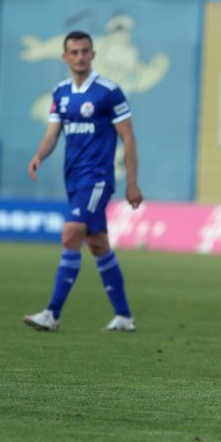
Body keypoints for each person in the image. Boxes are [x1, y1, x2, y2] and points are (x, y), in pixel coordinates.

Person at [23, 30, 143, 332]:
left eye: (85, 51)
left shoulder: (108, 91)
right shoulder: (61, 93)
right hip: (73, 178)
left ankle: (51, 313)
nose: (79, 57)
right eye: (74, 52)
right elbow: (52, 134)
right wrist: (40, 154)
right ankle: (124, 317)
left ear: (93, 55)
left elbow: (127, 137)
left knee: (70, 233)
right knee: (98, 243)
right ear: (65, 57)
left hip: (98, 177)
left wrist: (132, 182)